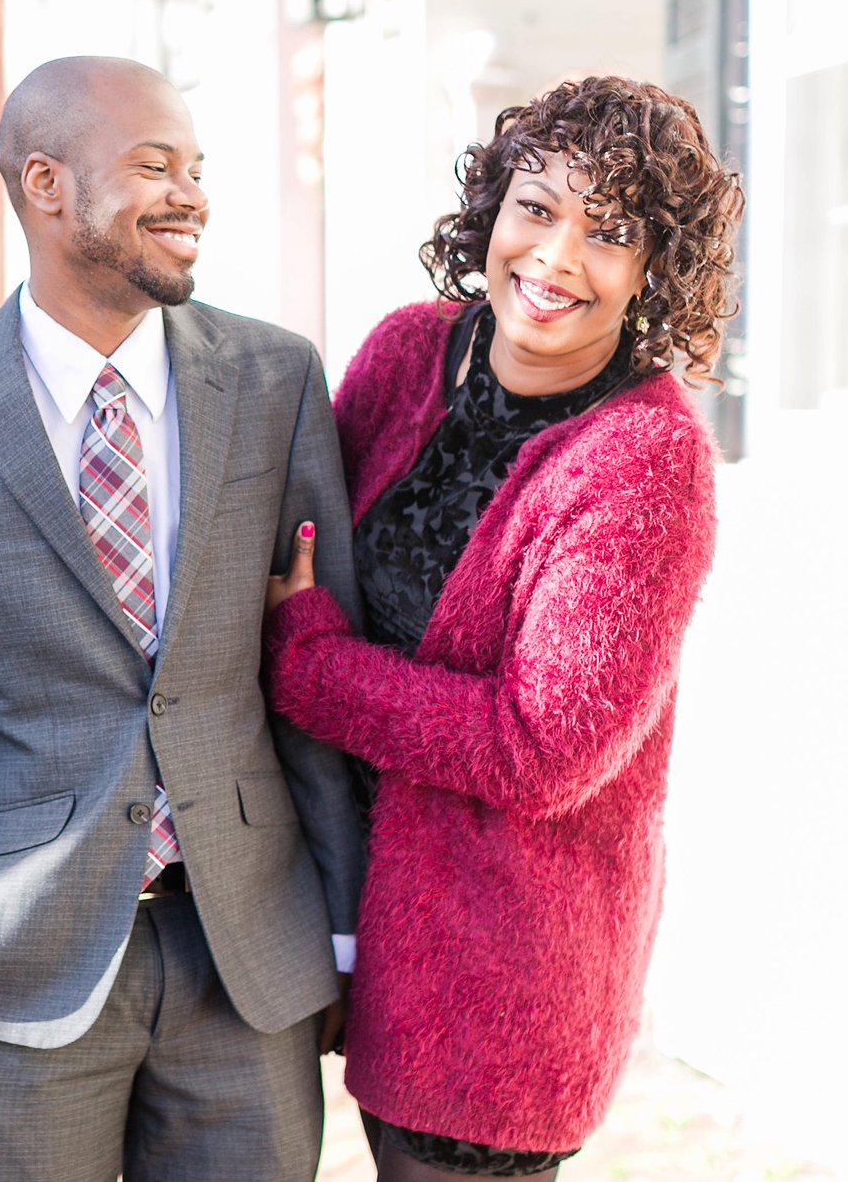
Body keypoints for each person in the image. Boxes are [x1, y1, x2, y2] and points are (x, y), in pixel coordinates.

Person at [0, 56, 365, 1181]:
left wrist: (342, 930)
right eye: (152, 166)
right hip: (17, 975)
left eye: (197, 169)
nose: (191, 196)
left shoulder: (273, 382)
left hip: (245, 959)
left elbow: (317, 676)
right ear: (45, 184)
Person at [263, 76, 742, 1180]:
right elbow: (296, 547)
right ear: (490, 211)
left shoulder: (641, 461)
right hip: (344, 905)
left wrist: (313, 665)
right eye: (536, 207)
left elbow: (544, 747)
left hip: (502, 969)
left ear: (651, 270)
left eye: (608, 231)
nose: (556, 257)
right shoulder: (402, 356)